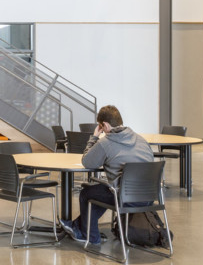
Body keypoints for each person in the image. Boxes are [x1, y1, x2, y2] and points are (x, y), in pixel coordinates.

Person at [60, 105, 154, 247]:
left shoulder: (106, 142)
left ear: (105, 125)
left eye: (101, 127)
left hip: (124, 197)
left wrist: (94, 137)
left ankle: (90, 236)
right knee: (102, 191)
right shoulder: (141, 140)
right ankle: (77, 226)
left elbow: (87, 162)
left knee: (87, 192)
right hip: (148, 197)